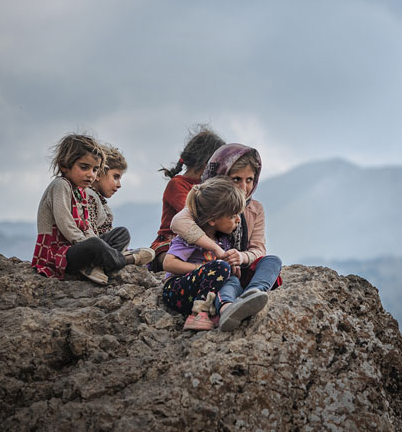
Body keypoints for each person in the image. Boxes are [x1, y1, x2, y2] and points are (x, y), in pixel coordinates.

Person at [170, 143, 283, 307]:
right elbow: (179, 221)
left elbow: (258, 249)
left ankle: (255, 292)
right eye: (236, 179)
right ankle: (227, 304)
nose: (244, 188)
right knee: (229, 281)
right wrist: (219, 252)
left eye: (249, 180)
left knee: (272, 261)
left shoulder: (255, 209)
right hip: (218, 270)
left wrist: (240, 256)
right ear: (220, 177)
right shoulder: (207, 202)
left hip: (240, 266)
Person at [31, 133, 152, 285]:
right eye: (84, 167)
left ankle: (97, 265)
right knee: (95, 244)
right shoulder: (60, 185)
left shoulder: (81, 191)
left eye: (95, 170)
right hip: (59, 254)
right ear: (64, 165)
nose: (91, 174)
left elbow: (87, 226)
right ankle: (125, 259)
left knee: (121, 234)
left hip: (80, 247)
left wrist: (95, 243)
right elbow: (65, 223)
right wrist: (89, 244)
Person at [162, 177, 269, 332]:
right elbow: (169, 264)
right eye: (233, 216)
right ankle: (198, 315)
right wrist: (203, 268)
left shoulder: (223, 239)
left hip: (203, 289)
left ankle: (244, 298)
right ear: (212, 220)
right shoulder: (190, 239)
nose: (239, 220)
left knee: (259, 264)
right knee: (220, 267)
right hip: (177, 291)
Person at [150, 126, 225, 271]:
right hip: (173, 240)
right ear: (207, 162)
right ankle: (199, 269)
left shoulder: (209, 186)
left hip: (203, 240)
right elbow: (196, 214)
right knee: (169, 256)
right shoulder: (177, 184)